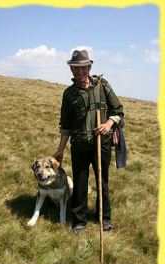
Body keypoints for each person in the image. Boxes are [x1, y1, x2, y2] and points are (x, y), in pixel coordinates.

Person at [54, 49, 124, 232]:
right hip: (79, 145)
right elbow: (65, 124)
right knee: (80, 183)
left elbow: (118, 110)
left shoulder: (102, 85)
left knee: (103, 181)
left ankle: (104, 218)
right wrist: (60, 150)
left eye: (83, 68)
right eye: (75, 68)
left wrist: (108, 124)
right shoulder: (69, 94)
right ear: (71, 70)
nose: (79, 72)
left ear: (89, 67)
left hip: (102, 144)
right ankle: (79, 220)